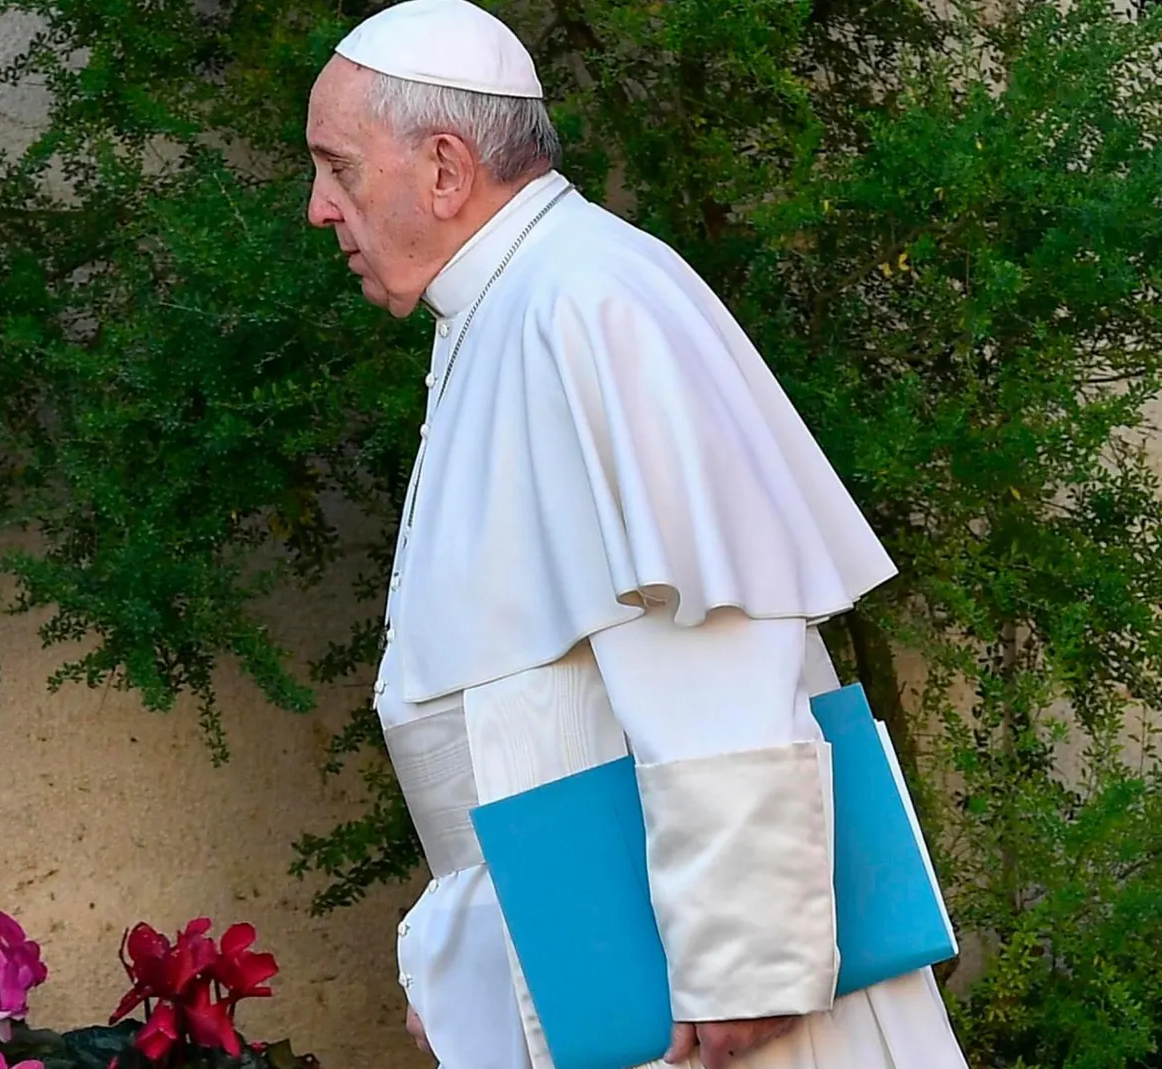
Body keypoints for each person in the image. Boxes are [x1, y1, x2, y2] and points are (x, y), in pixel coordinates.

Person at [303, 2, 971, 1068]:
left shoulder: (588, 300)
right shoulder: (513, 301)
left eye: (337, 168)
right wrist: (464, 962)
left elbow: (709, 639)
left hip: (705, 1004)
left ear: (443, 168)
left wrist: (745, 960)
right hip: (609, 968)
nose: (318, 209)